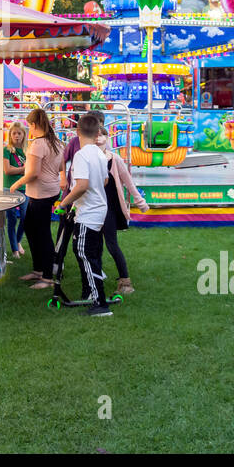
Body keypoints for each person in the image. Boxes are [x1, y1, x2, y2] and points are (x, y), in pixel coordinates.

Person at [58, 112, 114, 317]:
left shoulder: (82, 155)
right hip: (99, 209)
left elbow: (81, 186)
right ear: (97, 131)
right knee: (91, 254)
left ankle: (99, 303)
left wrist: (63, 203)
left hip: (88, 212)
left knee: (84, 253)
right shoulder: (99, 153)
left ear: (77, 131)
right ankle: (94, 295)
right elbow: (105, 181)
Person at [13, 108, 62, 287]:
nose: (29, 131)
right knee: (31, 228)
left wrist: (17, 184)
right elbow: (59, 166)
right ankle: (39, 269)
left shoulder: (38, 144)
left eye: (29, 127)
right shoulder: (55, 142)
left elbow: (33, 173)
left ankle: (47, 277)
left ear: (34, 125)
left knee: (41, 233)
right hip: (49, 190)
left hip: (40, 193)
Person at [96, 125, 146, 296]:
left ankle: (125, 281)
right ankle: (94, 277)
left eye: (102, 134)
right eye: (96, 134)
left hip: (109, 209)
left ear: (106, 138)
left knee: (111, 244)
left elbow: (128, 181)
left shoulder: (114, 159)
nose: (98, 138)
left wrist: (139, 201)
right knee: (91, 246)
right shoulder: (87, 158)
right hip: (91, 209)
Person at [1, 121, 28, 257]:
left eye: (19, 133)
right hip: (9, 188)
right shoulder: (7, 150)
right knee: (11, 218)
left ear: (24, 135)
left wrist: (22, 171)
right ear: (10, 135)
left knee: (25, 217)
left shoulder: (27, 150)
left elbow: (30, 171)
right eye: (14, 133)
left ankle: (17, 241)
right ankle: (14, 249)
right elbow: (7, 170)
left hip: (24, 188)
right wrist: (23, 169)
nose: (17, 136)